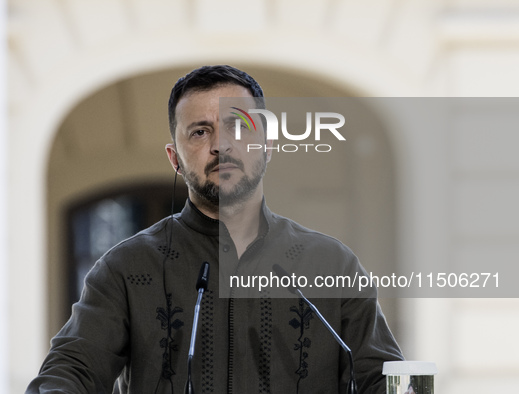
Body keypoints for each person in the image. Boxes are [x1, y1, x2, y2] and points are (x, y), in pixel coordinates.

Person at [27, 65, 403, 393]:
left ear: (268, 144)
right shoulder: (126, 268)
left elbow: (383, 378)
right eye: (200, 132)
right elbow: (71, 369)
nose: (221, 145)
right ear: (175, 158)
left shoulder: (332, 265)